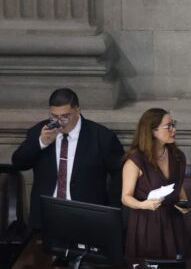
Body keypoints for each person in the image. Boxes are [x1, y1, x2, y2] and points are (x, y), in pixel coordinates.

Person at [10, 88, 124, 229]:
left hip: (87, 217)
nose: (59, 122)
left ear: (77, 111)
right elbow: (18, 163)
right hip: (46, 216)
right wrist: (41, 143)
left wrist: (111, 211)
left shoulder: (101, 136)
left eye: (65, 116)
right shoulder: (40, 131)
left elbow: (120, 174)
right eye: (54, 116)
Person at [121, 109, 189, 259]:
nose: (174, 130)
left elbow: (179, 186)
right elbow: (125, 197)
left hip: (174, 222)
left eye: (173, 124)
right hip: (147, 224)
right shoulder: (135, 160)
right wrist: (143, 204)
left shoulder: (178, 156)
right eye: (168, 126)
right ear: (153, 131)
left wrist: (185, 203)